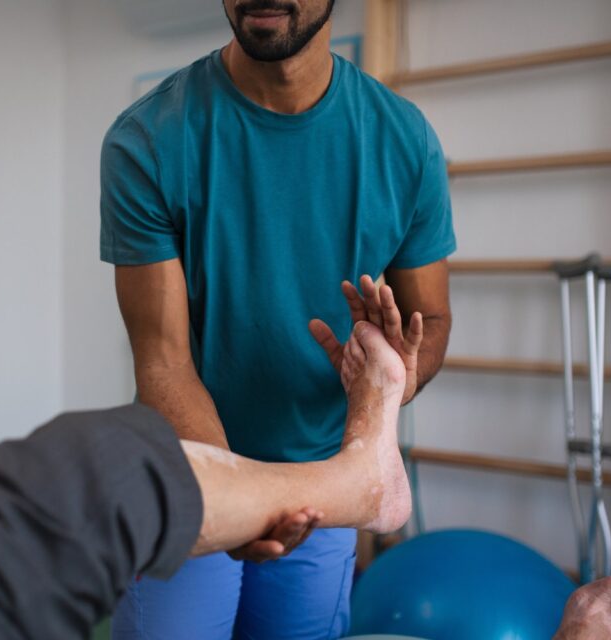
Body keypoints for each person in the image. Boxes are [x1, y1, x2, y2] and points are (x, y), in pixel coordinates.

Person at [0, 324, 611, 640]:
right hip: (253, 463)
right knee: (95, 471)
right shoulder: (159, 135)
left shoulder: (391, 139)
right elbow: (162, 351)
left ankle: (353, 477)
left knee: (97, 467)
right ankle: (356, 476)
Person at [99, 0, 455, 635]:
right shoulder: (150, 137)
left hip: (323, 486)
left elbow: (431, 315)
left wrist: (390, 381)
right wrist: (240, 503)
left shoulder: (404, 140)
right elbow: (163, 361)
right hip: (192, 479)